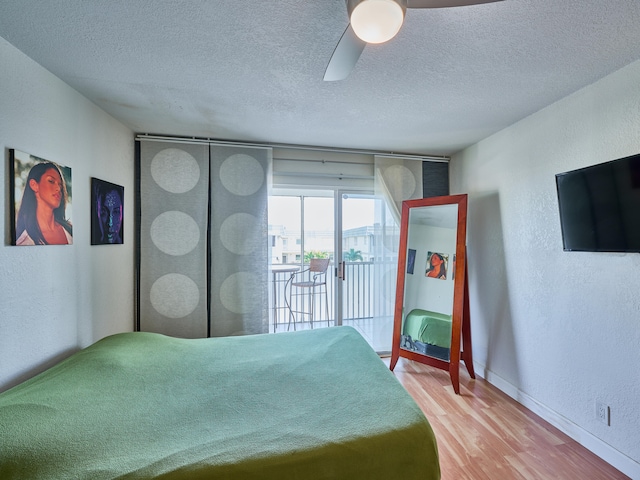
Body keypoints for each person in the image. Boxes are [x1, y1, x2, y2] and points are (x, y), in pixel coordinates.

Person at [15, 161, 73, 245]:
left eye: (60, 185)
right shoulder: (25, 242)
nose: (58, 188)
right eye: (51, 181)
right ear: (34, 185)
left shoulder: (70, 230)